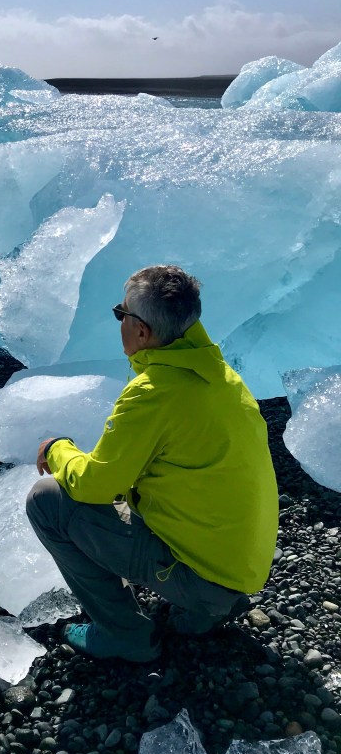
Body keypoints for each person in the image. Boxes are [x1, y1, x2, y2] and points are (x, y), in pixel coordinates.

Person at [26, 264, 278, 663]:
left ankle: (124, 634)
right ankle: (207, 610)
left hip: (204, 578)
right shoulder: (222, 377)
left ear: (142, 331)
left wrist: (57, 448)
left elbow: (94, 486)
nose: (120, 321)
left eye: (121, 313)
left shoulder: (153, 393)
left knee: (47, 500)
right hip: (241, 568)